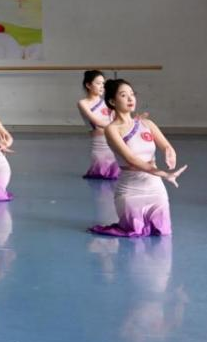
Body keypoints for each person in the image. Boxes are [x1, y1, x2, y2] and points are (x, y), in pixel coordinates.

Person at [90, 79, 187, 237]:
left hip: (155, 189)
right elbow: (131, 159)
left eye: (132, 94)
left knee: (162, 231)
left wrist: (170, 153)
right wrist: (163, 173)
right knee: (135, 230)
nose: (130, 98)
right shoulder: (111, 129)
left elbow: (166, 146)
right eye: (124, 95)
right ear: (112, 101)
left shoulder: (147, 123)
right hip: (131, 191)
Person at [78, 70, 119, 180]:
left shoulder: (108, 102)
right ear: (88, 85)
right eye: (98, 83)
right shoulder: (83, 103)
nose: (102, 86)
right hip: (99, 145)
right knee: (100, 174)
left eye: (103, 83)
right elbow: (96, 122)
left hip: (114, 142)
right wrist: (118, 125)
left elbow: (117, 120)